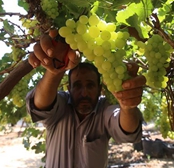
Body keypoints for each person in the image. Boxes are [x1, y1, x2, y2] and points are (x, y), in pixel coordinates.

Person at [26, 30, 146, 168]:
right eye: (77, 86)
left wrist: (127, 107)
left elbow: (128, 131)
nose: (84, 93)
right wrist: (55, 71)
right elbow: (40, 106)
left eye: (90, 85)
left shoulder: (104, 110)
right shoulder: (61, 106)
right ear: (68, 88)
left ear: (100, 88)